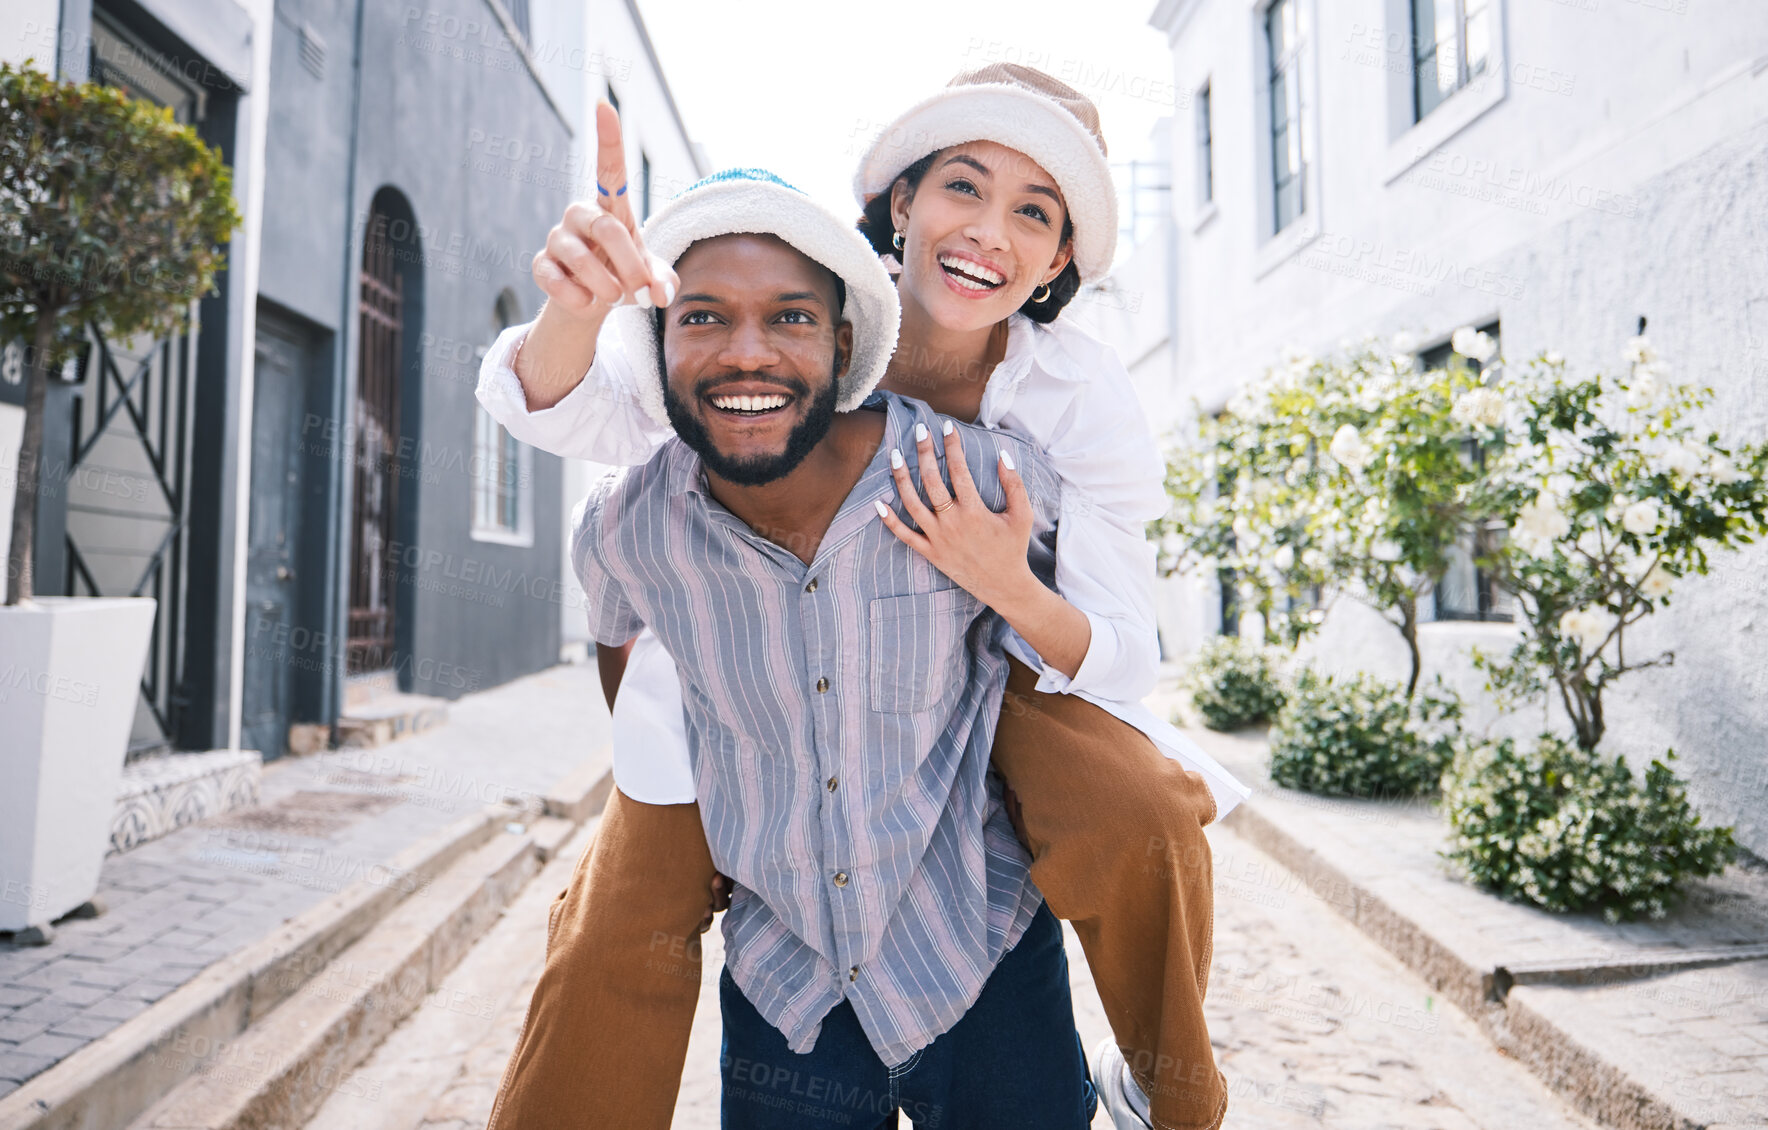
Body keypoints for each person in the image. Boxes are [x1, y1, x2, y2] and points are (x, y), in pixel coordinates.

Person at [478, 67, 1248, 1130]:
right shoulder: (806, 312)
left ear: (1061, 256)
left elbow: (1122, 644)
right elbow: (594, 414)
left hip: (1003, 644)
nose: (988, 230)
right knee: (616, 914)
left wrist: (1003, 580)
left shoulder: (1071, 398)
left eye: (1035, 211)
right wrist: (579, 309)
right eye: (962, 188)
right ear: (901, 201)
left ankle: (1174, 1085)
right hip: (757, 650)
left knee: (1142, 808)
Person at [546, 166, 1096, 1128]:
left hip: (981, 954)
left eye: (791, 319)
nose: (746, 355)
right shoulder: (626, 528)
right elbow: (617, 642)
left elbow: (1087, 645)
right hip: (783, 989)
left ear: (843, 346)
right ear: (659, 343)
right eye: (704, 317)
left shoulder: (973, 479)